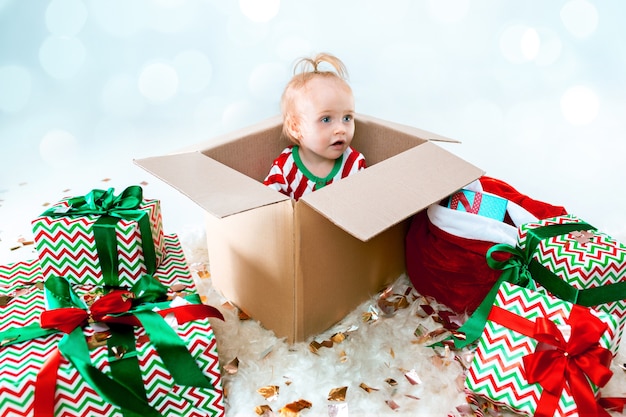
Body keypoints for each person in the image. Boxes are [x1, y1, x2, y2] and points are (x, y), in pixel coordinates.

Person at [263, 52, 366, 201]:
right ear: (295, 127)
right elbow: (270, 208)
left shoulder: (354, 164)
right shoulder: (284, 169)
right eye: (326, 119)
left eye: (347, 118)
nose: (341, 129)